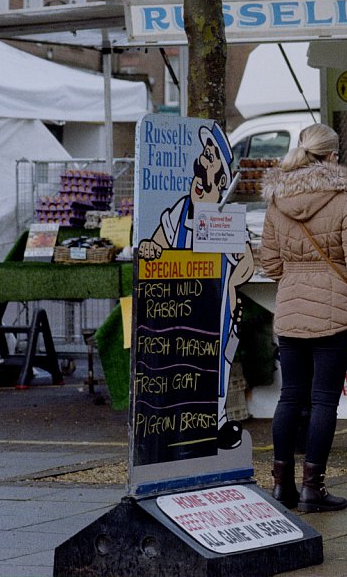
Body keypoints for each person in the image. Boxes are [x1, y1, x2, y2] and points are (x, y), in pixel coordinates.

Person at [259, 123, 347, 512]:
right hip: (335, 314)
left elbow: (271, 263)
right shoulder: (345, 200)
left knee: (290, 396)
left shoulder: (276, 201)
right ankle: (313, 489)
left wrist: (296, 280)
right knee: (324, 400)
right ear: (332, 156)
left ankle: (281, 487)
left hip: (291, 311)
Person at [137, 122, 254, 450]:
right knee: (181, 364)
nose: (202, 163)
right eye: (203, 156)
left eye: (211, 159)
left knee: (217, 364)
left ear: (221, 181)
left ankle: (215, 422)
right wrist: (150, 248)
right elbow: (155, 243)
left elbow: (246, 262)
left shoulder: (224, 216)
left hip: (216, 310)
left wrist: (230, 284)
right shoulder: (179, 210)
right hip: (181, 306)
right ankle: (178, 422)